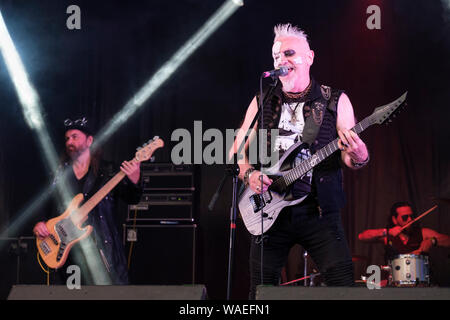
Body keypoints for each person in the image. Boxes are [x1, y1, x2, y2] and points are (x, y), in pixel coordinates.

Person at [231, 23, 369, 299]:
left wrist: (359, 155)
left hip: (319, 213)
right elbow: (237, 152)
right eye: (276, 56)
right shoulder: (263, 100)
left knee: (344, 288)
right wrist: (249, 175)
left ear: (310, 57)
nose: (281, 60)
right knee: (259, 294)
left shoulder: (334, 101)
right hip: (270, 211)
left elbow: (350, 158)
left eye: (289, 53)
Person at [33, 116, 142, 285]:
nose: (69, 141)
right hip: (69, 256)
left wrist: (134, 180)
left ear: (90, 140)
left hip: (103, 253)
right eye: (67, 138)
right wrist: (39, 224)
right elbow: (44, 209)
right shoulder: (58, 176)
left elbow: (132, 198)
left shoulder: (108, 171)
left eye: (75, 137)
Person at [358, 201, 450, 257]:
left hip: (421, 282)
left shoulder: (423, 232)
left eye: (411, 216)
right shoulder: (388, 236)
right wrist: (387, 231)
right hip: (394, 283)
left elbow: (448, 240)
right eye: (405, 217)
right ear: (394, 219)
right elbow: (362, 237)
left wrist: (432, 241)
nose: (410, 219)